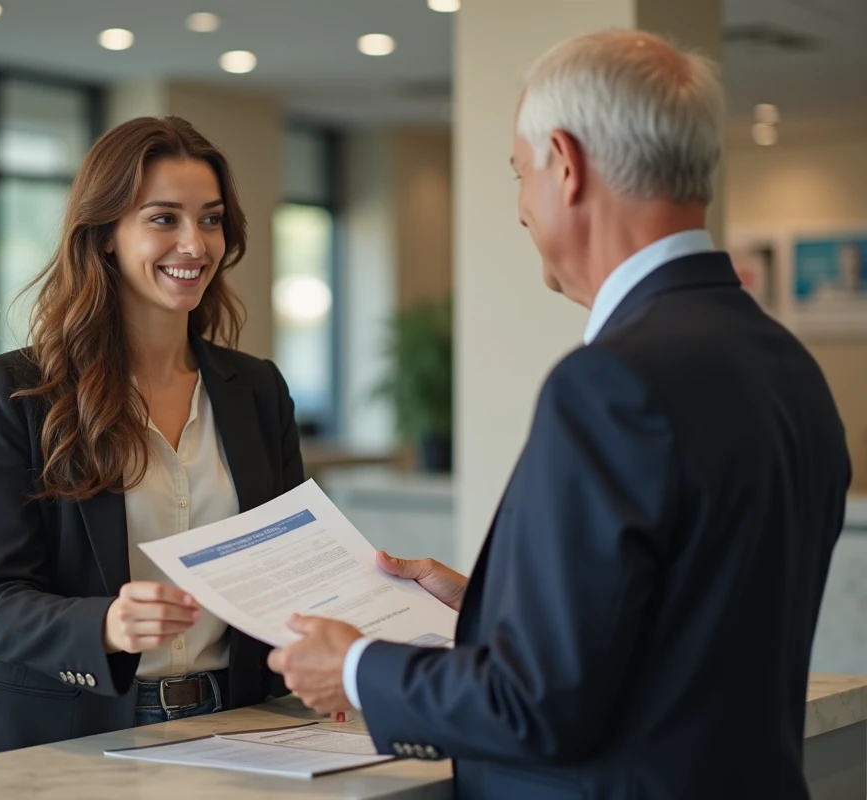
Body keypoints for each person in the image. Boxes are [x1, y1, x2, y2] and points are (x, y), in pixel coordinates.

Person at [269, 29, 851, 799]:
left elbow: (537, 706)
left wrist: (354, 669)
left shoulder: (609, 383)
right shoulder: (789, 366)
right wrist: (489, 607)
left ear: (566, 165)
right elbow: (685, 620)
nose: (520, 208)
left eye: (520, 172)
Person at [0, 116, 300, 759]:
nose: (194, 244)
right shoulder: (21, 388)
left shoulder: (258, 389)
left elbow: (284, 567)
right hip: (66, 736)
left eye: (211, 219)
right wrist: (106, 624)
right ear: (106, 234)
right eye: (164, 218)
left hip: (238, 724)